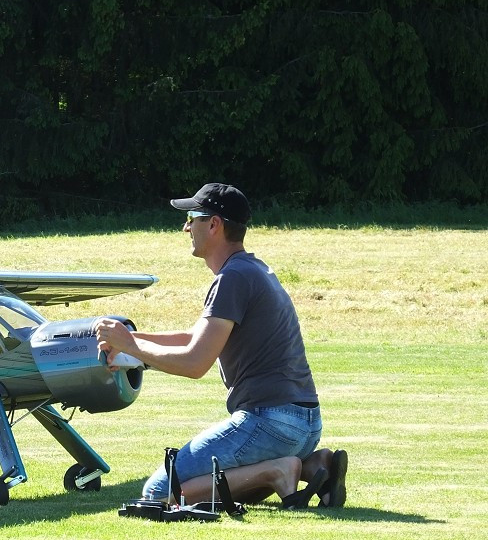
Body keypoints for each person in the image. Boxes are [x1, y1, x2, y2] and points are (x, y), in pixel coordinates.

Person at [93, 184, 347, 508]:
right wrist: (130, 343)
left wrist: (130, 345)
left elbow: (195, 362)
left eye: (192, 217)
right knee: (185, 484)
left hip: (270, 424)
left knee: (159, 493)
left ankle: (278, 470)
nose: (186, 227)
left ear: (214, 224)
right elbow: (194, 338)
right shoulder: (252, 270)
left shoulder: (233, 278)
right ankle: (315, 465)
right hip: (305, 426)